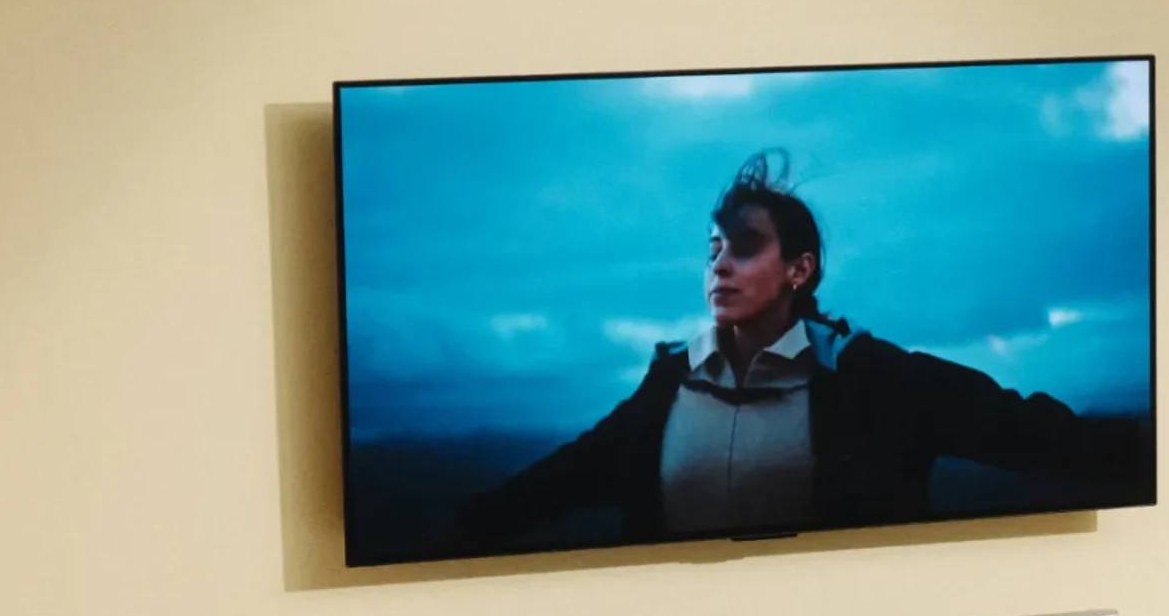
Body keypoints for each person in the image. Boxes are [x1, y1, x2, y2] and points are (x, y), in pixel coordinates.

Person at [454, 152, 1100, 553]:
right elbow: (555, 483)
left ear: (800, 269)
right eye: (712, 251)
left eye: (743, 247)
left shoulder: (873, 378)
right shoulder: (669, 384)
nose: (719, 266)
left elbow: (1032, 433)